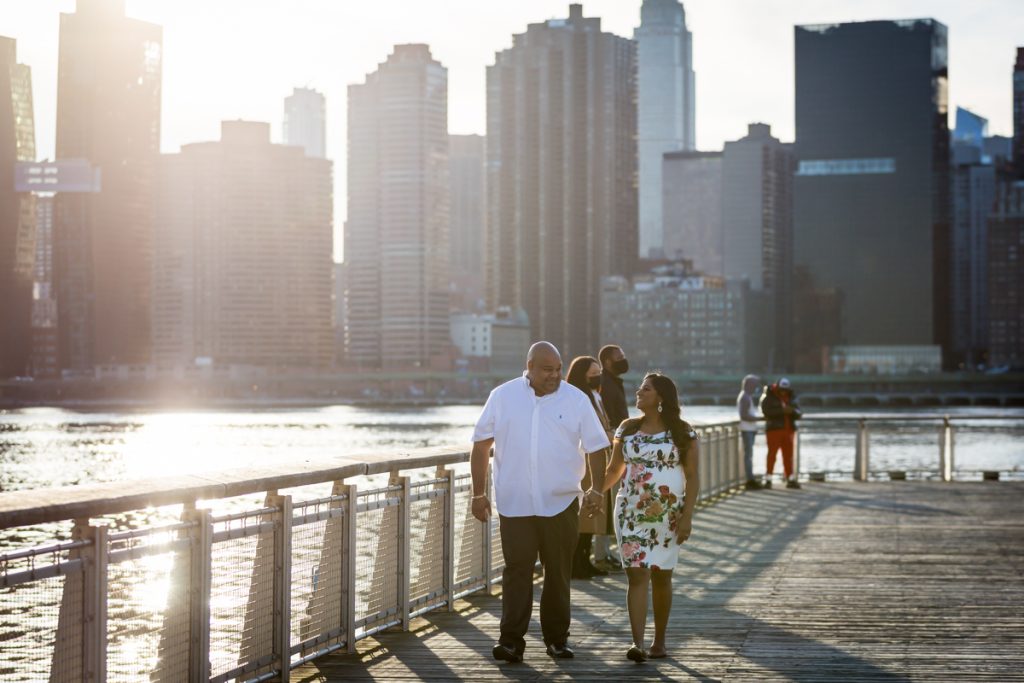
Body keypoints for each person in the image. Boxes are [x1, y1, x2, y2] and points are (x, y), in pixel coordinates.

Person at [470, 342, 609, 663]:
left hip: (560, 503)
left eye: (559, 368)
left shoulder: (575, 399)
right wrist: (479, 494)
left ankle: (557, 640)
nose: (555, 375)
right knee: (516, 572)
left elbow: (597, 447)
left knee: (558, 572)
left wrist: (597, 489)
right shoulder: (503, 396)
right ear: (529, 366)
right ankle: (510, 642)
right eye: (548, 369)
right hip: (514, 503)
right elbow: (480, 445)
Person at [600, 372, 700, 662]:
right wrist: (594, 492)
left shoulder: (683, 432)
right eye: (640, 388)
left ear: (661, 397)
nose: (638, 393)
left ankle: (659, 641)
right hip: (630, 512)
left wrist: (687, 517)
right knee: (636, 573)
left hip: (668, 513)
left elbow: (692, 478)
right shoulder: (627, 429)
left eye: (645, 389)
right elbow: (613, 470)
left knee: (662, 575)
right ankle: (637, 644)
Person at [565, 356, 613, 579]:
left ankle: (584, 560)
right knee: (584, 517)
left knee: (592, 518)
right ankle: (576, 563)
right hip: (584, 463)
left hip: (597, 461)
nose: (597, 377)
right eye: (593, 373)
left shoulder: (596, 396)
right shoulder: (579, 398)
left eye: (599, 372)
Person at [594, 344, 630, 570]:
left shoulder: (613, 382)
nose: (624, 360)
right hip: (610, 447)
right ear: (608, 362)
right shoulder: (605, 385)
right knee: (606, 499)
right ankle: (601, 553)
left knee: (611, 500)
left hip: (617, 444)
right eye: (620, 357)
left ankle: (604, 551)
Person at [760, 377, 802, 489]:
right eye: (781, 389)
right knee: (772, 455)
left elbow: (799, 412)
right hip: (774, 430)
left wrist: (792, 411)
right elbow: (766, 411)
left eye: (785, 390)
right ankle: (768, 479)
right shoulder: (768, 397)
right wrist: (782, 411)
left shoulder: (792, 397)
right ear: (777, 388)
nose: (783, 392)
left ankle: (790, 478)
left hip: (789, 430)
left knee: (788, 456)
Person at [737, 374, 763, 489]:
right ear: (748, 385)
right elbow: (744, 416)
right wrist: (759, 418)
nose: (756, 387)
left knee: (749, 455)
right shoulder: (745, 397)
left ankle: (750, 479)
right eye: (754, 385)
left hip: (749, 430)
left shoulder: (747, 396)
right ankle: (750, 480)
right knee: (748, 456)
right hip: (747, 430)